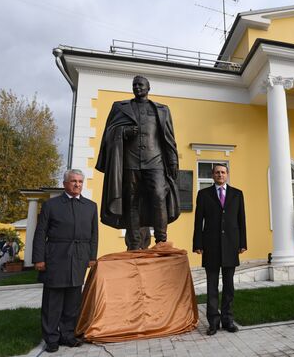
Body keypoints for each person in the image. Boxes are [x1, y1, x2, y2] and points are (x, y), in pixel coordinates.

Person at [95, 75, 180, 250]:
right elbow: (109, 133)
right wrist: (123, 131)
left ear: (149, 88)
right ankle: (134, 243)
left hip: (155, 161)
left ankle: (161, 240)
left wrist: (172, 161)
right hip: (130, 161)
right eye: (134, 85)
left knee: (158, 195)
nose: (137, 87)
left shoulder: (162, 109)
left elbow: (169, 138)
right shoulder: (120, 107)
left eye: (141, 85)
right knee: (131, 201)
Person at [32, 169, 98, 353]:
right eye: (73, 181)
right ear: (65, 184)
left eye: (80, 181)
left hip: (79, 257)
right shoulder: (51, 205)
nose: (77, 184)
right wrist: (38, 258)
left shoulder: (91, 206)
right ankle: (51, 338)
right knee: (53, 301)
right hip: (55, 256)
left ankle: (68, 335)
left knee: (73, 300)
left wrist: (92, 256)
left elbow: (94, 235)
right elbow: (40, 233)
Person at [193, 164, 247, 336]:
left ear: (227, 174)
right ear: (212, 175)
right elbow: (198, 222)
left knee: (229, 286)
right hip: (211, 247)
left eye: (223, 172)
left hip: (231, 246)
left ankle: (228, 320)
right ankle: (213, 323)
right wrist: (198, 244)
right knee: (212, 287)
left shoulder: (237, 194)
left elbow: (241, 221)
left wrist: (243, 243)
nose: (220, 175)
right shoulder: (203, 195)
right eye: (217, 172)